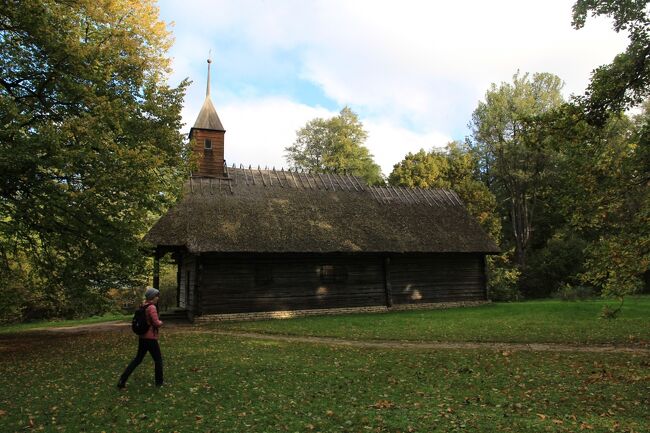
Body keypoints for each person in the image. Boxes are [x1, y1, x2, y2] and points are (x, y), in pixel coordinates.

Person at [118, 287, 164, 388]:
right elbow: (156, 323)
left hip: (142, 337)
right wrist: (161, 322)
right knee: (158, 360)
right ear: (153, 297)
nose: (158, 298)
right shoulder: (152, 307)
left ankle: (122, 380)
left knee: (138, 359)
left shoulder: (143, 305)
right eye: (157, 296)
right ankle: (159, 383)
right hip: (150, 338)